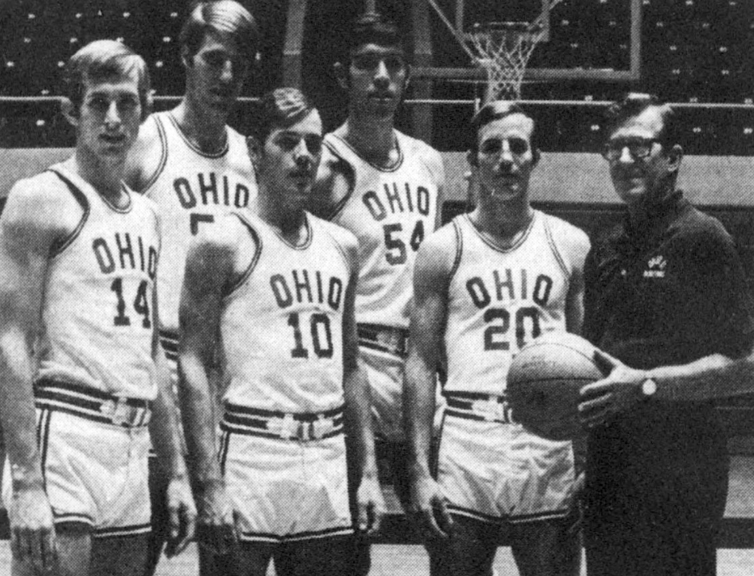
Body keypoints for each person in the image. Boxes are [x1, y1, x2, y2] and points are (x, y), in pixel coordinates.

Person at [0, 40, 195, 576]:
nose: (113, 119)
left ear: (145, 111)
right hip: (65, 433)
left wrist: (175, 470)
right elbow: (9, 342)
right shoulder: (39, 198)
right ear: (71, 111)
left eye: (127, 103)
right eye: (98, 103)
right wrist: (27, 481)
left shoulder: (149, 216)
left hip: (130, 445)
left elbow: (151, 349)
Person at [178, 87, 385, 576]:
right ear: (254, 150)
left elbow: (351, 368)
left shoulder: (343, 246)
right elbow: (192, 361)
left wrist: (369, 473)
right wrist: (208, 484)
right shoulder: (221, 241)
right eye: (288, 143)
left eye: (314, 144)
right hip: (251, 452)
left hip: (325, 457)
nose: (304, 156)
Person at [405, 100, 590, 576]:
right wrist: (420, 471)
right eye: (492, 148)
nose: (505, 158)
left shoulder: (568, 243)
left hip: (546, 440)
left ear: (534, 159)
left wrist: (589, 460)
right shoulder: (443, 247)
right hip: (469, 440)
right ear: (473, 161)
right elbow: (421, 364)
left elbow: (590, 362)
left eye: (517, 147)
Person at [576, 92, 754, 576]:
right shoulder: (606, 247)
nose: (625, 159)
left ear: (673, 159)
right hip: (612, 470)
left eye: (640, 147)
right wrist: (584, 464)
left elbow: (746, 367)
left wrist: (647, 384)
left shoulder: (704, 238)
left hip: (683, 472)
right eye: (614, 148)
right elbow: (595, 366)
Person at [123, 2, 259, 572]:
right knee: (142, 543)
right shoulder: (147, 141)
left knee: (228, 551)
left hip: (225, 377)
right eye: (213, 60)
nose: (226, 76)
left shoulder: (252, 157)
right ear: (185, 58)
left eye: (239, 64)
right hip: (158, 366)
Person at [307, 14, 444, 571]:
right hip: (353, 363)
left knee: (446, 531)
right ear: (344, 76)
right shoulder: (320, 167)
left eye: (393, 66)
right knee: (348, 548)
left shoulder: (429, 163)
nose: (381, 77)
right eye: (367, 65)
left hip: (418, 365)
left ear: (407, 77)